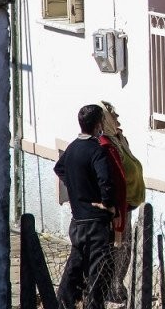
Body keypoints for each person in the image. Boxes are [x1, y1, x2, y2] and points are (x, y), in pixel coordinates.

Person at [55, 104, 119, 309]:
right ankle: (92, 305)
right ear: (99, 124)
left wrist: (75, 187)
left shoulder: (73, 147)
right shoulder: (96, 150)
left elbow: (59, 168)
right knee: (97, 270)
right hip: (95, 221)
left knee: (76, 263)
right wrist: (108, 204)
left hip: (78, 219)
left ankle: (62, 302)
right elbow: (106, 182)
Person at [97, 100, 145, 303]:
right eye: (113, 116)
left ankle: (117, 284)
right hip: (117, 206)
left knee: (125, 246)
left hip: (128, 203)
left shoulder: (118, 138)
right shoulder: (103, 143)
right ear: (105, 119)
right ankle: (110, 287)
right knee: (117, 246)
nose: (117, 119)